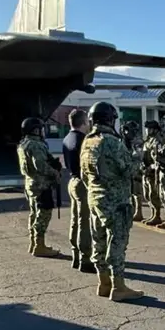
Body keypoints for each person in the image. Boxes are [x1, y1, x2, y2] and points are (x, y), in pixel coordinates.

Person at [80, 102, 144, 302]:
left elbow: (84, 174)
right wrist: (138, 158)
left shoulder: (88, 141)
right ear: (110, 119)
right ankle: (119, 287)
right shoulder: (112, 142)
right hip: (116, 202)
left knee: (98, 241)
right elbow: (128, 171)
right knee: (117, 242)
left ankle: (103, 282)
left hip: (95, 198)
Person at [16, 117, 61, 258]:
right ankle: (39, 246)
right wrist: (55, 173)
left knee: (34, 214)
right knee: (43, 215)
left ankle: (34, 243)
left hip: (30, 184)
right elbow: (40, 166)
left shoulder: (23, 144)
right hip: (41, 185)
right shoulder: (36, 145)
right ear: (36, 130)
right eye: (40, 129)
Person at [61, 108, 94, 273]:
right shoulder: (84, 140)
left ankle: (75, 254)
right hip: (82, 184)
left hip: (72, 180)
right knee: (85, 222)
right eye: (87, 122)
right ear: (83, 122)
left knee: (75, 220)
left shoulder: (67, 138)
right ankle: (85, 258)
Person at [141, 120, 163, 226]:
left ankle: (157, 215)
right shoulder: (148, 141)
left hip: (154, 171)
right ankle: (153, 213)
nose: (147, 131)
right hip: (147, 171)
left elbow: (158, 159)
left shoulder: (158, 141)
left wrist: (151, 167)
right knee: (147, 194)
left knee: (154, 194)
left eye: (149, 128)